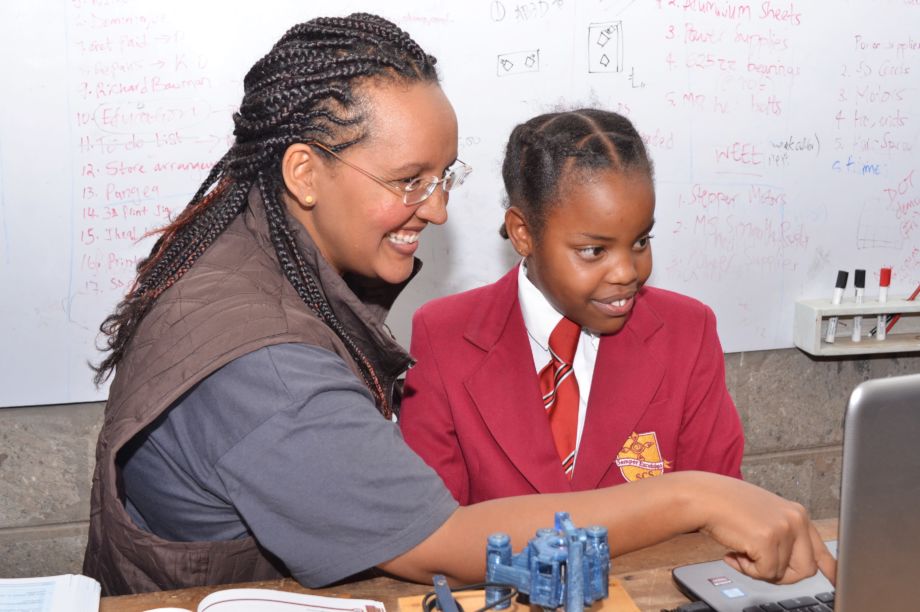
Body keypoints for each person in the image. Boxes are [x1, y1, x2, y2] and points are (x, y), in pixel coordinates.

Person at [84, 12, 834, 597]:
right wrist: (693, 496)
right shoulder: (267, 362)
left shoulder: (257, 258)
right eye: (409, 179)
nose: (436, 210)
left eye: (445, 177)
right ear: (305, 173)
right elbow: (441, 538)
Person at [399, 109, 743, 506]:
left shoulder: (687, 331)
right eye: (594, 250)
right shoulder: (444, 337)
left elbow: (721, 507)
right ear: (523, 234)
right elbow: (434, 531)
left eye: (640, 241)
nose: (626, 272)